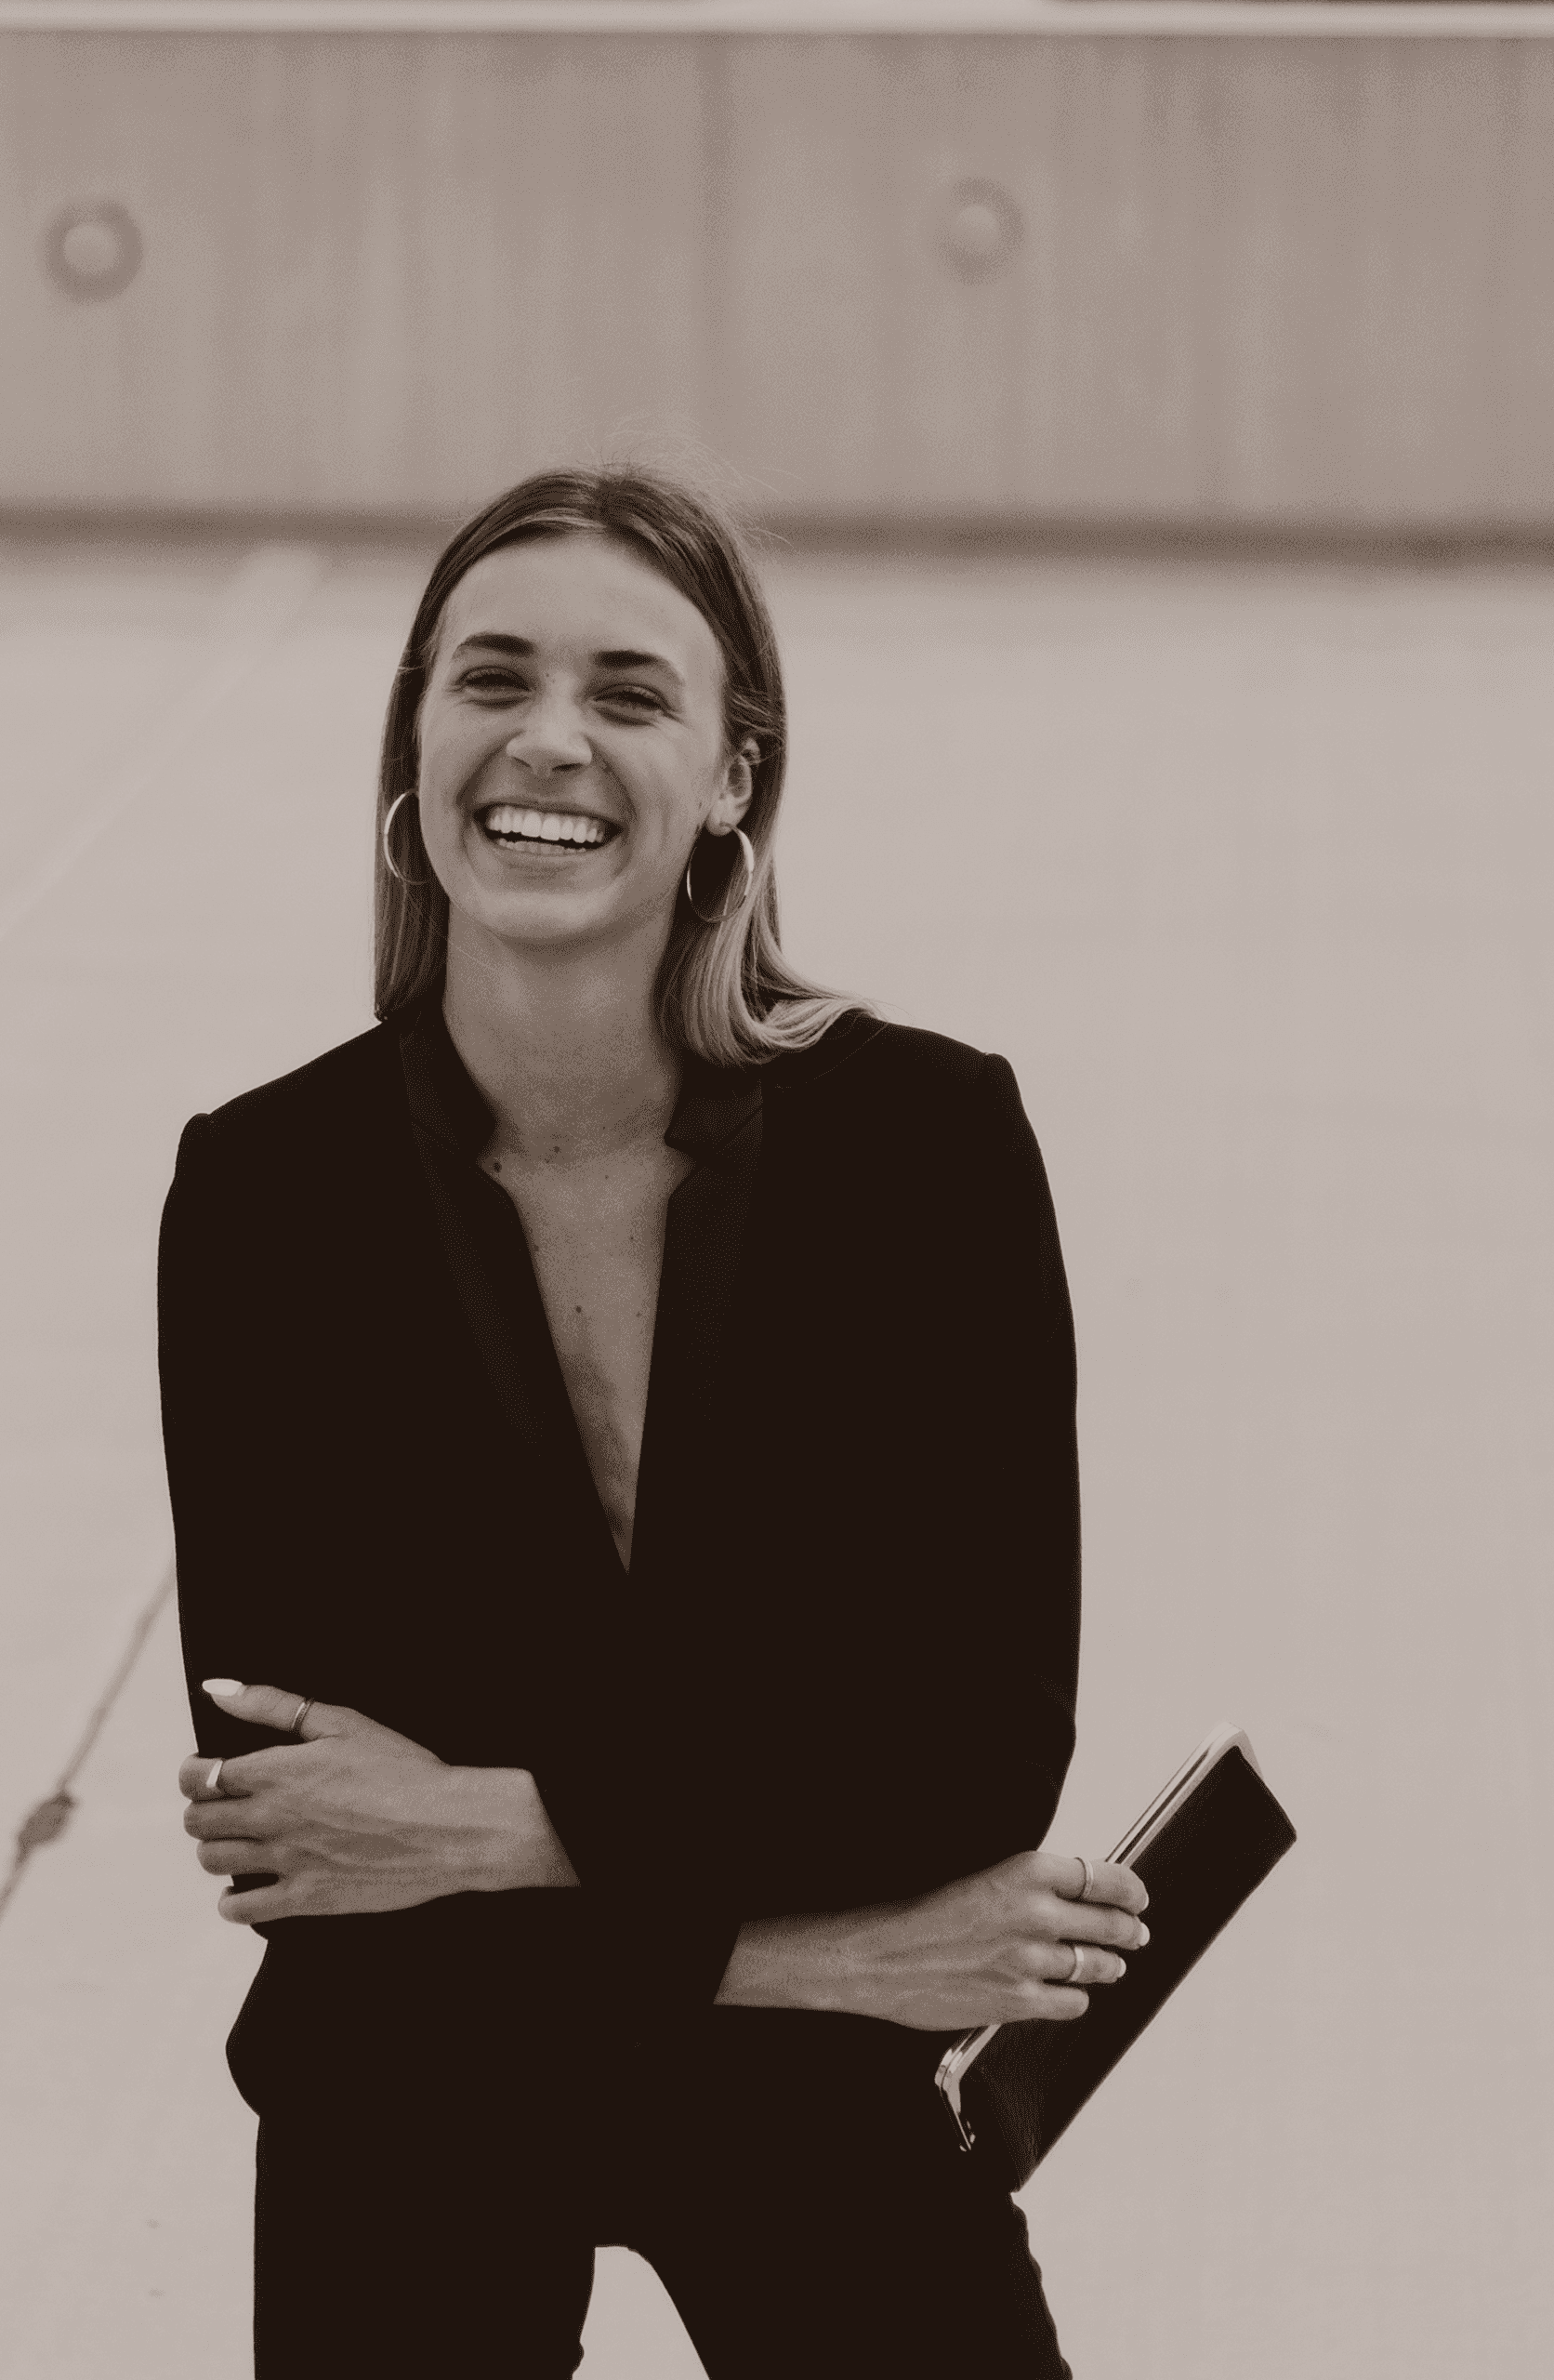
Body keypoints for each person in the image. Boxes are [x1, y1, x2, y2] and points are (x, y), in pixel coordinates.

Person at [156, 464, 1148, 2378]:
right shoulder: (268, 1190)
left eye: (628, 693)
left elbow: (966, 1755)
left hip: (800, 2103)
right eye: (492, 677)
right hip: (426, 2095)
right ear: (416, 743)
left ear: (732, 774)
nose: (549, 738)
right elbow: (312, 1853)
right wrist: (813, 1949)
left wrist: (496, 1819)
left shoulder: (925, 1146)